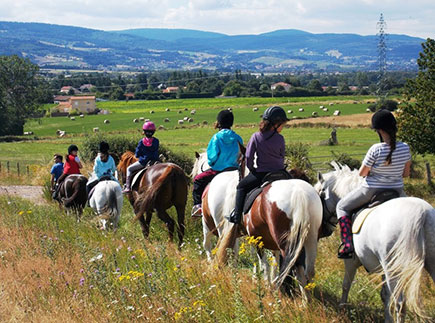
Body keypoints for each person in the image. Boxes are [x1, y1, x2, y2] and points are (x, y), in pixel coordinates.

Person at [335, 109, 411, 259]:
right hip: (398, 190)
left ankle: (348, 244)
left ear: (379, 130)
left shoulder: (375, 149)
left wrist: (375, 172)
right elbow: (406, 174)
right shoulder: (405, 147)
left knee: (341, 206)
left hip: (370, 190)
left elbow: (362, 173)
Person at [229, 106, 289, 224]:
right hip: (281, 172)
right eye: (282, 124)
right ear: (276, 124)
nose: (283, 127)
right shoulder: (280, 138)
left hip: (262, 173)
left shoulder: (256, 137)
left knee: (241, 187)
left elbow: (249, 157)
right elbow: (282, 156)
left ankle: (236, 216)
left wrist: (252, 169)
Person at [191, 110, 243, 217]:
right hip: (235, 170)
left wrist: (213, 162)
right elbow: (241, 154)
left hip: (218, 170)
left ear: (219, 123)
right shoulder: (238, 138)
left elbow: (211, 157)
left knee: (197, 181)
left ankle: (198, 207)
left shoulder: (216, 137)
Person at [123, 121, 160, 193]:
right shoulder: (156, 141)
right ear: (153, 132)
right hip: (155, 161)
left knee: (129, 169)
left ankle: (127, 187)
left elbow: (137, 154)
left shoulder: (141, 141)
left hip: (144, 162)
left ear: (144, 131)